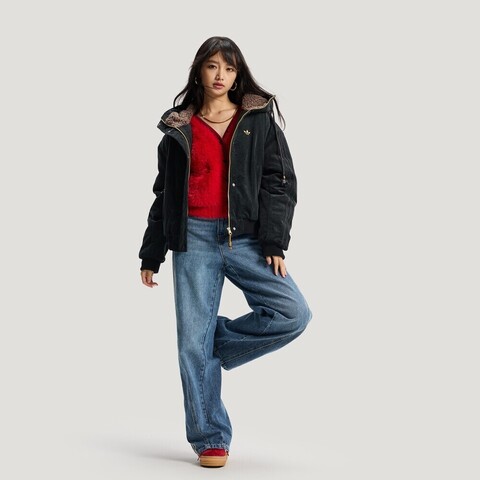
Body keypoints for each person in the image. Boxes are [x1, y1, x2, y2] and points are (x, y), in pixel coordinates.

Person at [138, 36, 312, 468]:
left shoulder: (257, 120)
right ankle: (210, 437)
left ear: (238, 75)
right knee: (191, 345)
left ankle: (203, 343)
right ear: (199, 70)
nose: (221, 75)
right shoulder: (178, 128)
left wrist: (274, 241)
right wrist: (151, 252)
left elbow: (280, 182)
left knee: (293, 314)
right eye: (213, 66)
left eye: (230, 68)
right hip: (193, 238)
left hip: (247, 237)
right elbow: (164, 194)